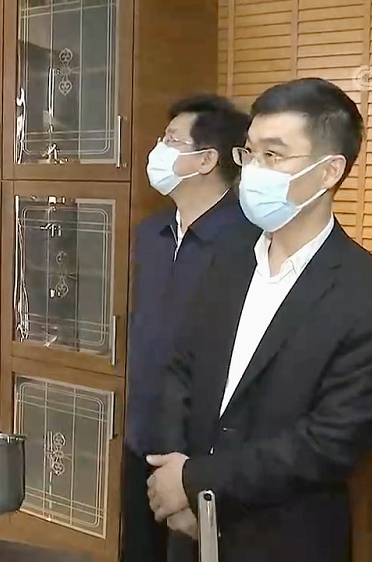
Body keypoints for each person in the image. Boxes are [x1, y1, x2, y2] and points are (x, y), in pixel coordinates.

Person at [146, 78, 372, 562]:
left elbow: (330, 442)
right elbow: (179, 369)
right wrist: (173, 480)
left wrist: (195, 482)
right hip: (185, 527)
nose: (253, 170)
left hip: (282, 537)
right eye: (249, 153)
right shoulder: (224, 257)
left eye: (274, 155)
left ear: (329, 170)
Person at [122, 95, 257, 562]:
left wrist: (192, 471)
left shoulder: (248, 242)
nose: (157, 150)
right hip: (141, 437)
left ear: (206, 160)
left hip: (198, 455)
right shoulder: (151, 233)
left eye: (171, 141)